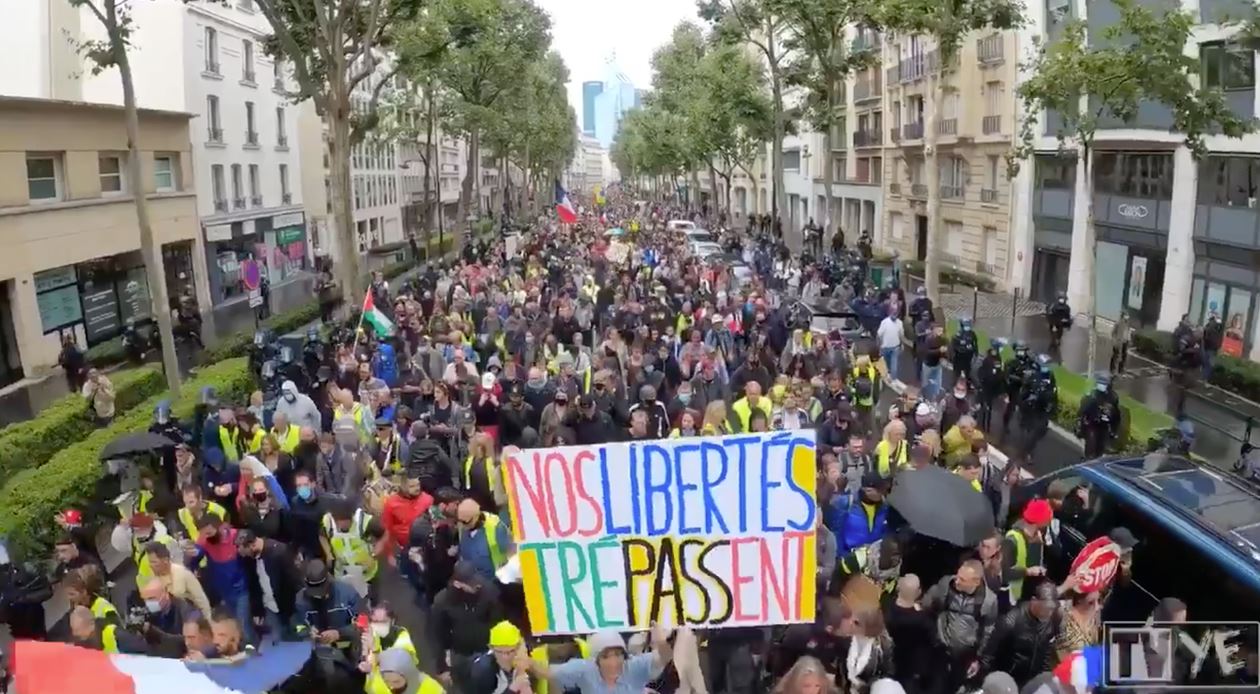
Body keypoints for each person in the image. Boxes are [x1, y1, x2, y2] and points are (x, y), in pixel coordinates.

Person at [922, 560, 998, 694]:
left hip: (965, 656)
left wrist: (978, 659)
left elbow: (988, 632)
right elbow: (929, 601)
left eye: (962, 579)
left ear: (976, 581)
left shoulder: (988, 601)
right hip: (941, 648)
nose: (957, 581)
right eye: (957, 576)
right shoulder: (946, 584)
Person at [431, 562, 501, 691]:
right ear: (458, 584)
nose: (477, 585)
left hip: (487, 651)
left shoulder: (489, 591)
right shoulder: (443, 602)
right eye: (472, 584)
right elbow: (438, 634)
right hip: (461, 655)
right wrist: (441, 666)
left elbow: (498, 620)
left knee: (488, 684)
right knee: (465, 687)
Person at [539, 626, 674, 693]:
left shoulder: (635, 667)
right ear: (596, 661)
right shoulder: (584, 669)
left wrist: (662, 641)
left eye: (617, 654)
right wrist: (526, 662)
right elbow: (549, 673)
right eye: (605, 657)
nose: (613, 662)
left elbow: (664, 657)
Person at [978, 582, 1060, 687]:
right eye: (1046, 608)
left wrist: (1043, 678)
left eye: (1052, 609)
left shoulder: (1050, 621)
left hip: (1033, 680)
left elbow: (1046, 651)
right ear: (1034, 601)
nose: (1049, 613)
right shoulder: (1010, 621)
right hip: (1009, 680)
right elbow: (989, 653)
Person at [236, 529, 302, 645]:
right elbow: (254, 584)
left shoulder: (280, 552)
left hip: (288, 607)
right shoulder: (250, 559)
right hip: (270, 607)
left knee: (297, 640)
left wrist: (295, 608)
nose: (243, 555)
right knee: (278, 642)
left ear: (252, 545)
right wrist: (257, 610)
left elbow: (294, 581)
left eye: (245, 551)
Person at [456, 498, 513, 582]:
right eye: (460, 521)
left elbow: (511, 553)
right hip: (472, 582)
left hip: (495, 581)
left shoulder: (496, 527)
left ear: (475, 518)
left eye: (465, 522)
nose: (462, 525)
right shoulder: (464, 529)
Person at [68, 605, 146, 654]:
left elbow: (143, 650)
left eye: (78, 629)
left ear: (91, 624)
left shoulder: (115, 635)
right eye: (73, 629)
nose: (74, 633)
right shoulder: (81, 642)